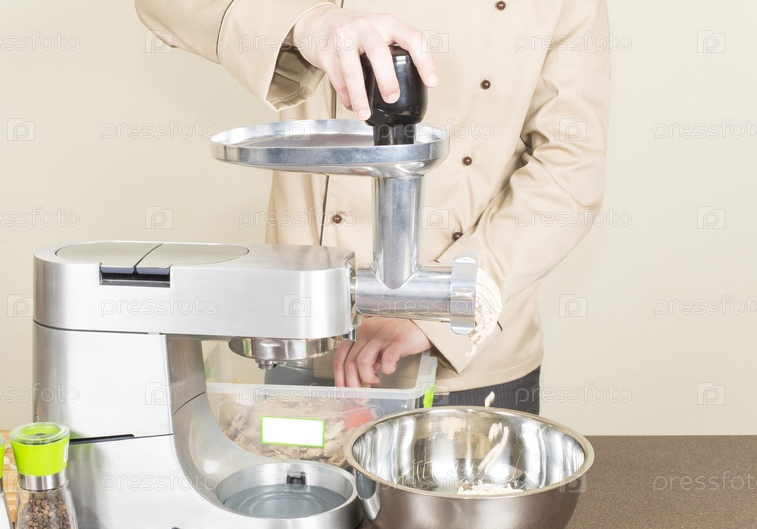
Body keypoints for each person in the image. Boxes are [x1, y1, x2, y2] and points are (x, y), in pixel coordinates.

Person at [135, 0, 611, 414]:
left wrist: (439, 308)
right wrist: (307, 22)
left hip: (471, 357)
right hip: (307, 333)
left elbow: (569, 169)